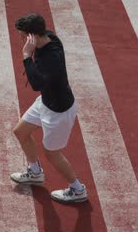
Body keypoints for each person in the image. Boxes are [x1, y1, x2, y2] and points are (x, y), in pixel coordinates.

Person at [10, 13, 87, 203]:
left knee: (52, 153)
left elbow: (36, 83)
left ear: (32, 36)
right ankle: (35, 172)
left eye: (23, 35)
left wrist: (26, 56)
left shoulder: (52, 58)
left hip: (58, 112)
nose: (21, 39)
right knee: (20, 131)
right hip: (45, 102)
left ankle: (77, 189)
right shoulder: (48, 37)